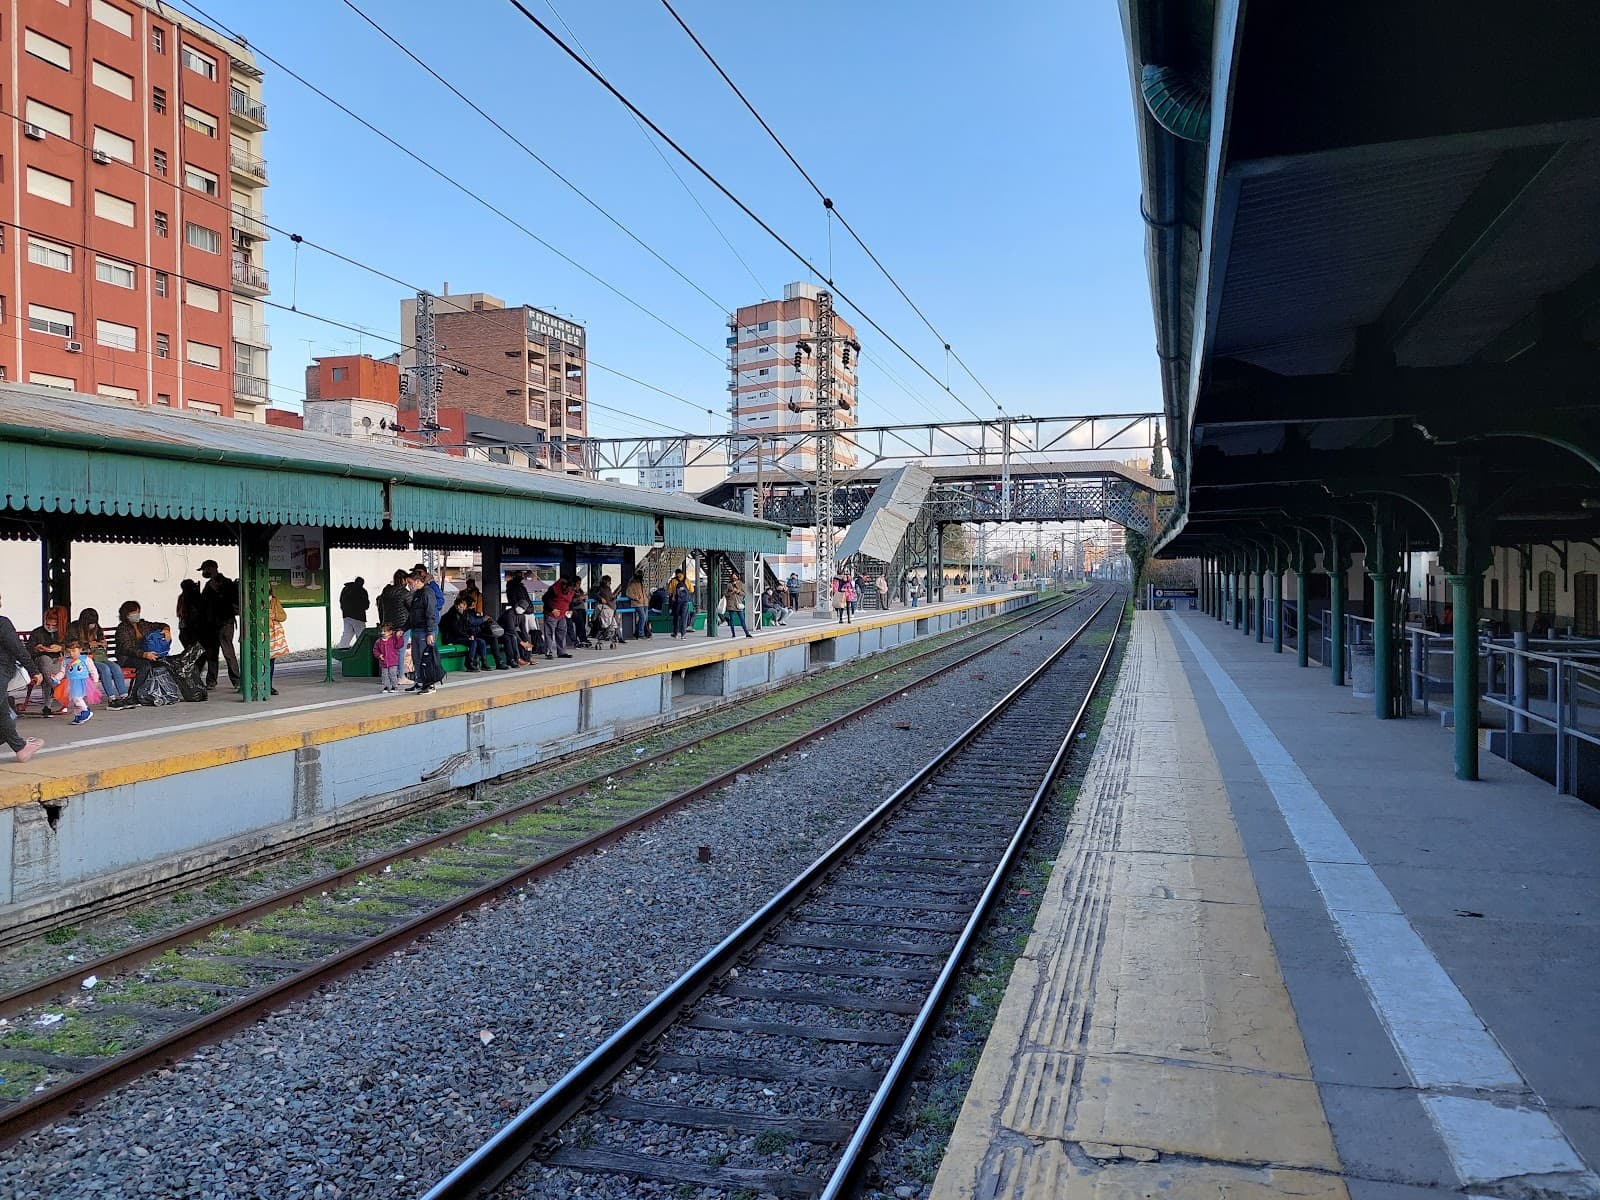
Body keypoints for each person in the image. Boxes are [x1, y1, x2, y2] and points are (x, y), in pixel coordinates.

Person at [0, 593, 44, 762]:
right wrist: (34, 670)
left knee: (4, 711)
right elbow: (17, 649)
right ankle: (21, 747)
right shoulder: (2, 623)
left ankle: (21, 747)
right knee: (4, 712)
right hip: (2, 670)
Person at [67, 608, 129, 709]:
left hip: (99, 656)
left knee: (116, 667)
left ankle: (124, 696)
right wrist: (87, 645)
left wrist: (102, 643)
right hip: (83, 659)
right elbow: (72, 645)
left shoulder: (96, 627)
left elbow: (101, 639)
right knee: (105, 669)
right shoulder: (73, 628)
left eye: (94, 623)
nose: (92, 625)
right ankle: (112, 698)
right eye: (89, 623)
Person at [199, 559, 240, 690]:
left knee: (227, 652)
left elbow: (233, 600)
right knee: (212, 653)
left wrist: (219, 591)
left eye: (205, 570)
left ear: (212, 568)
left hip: (225, 622)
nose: (204, 572)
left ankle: (236, 680)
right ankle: (211, 681)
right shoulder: (208, 585)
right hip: (212, 624)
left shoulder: (226, 583)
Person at [405, 568, 442, 693]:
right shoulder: (417, 594)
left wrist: (430, 632)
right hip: (416, 630)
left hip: (425, 631)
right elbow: (412, 615)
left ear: (416, 581)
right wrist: (403, 628)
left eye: (410, 583)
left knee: (425, 658)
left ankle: (429, 684)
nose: (409, 586)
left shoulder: (427, 593)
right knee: (416, 658)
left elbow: (430, 612)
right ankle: (420, 681)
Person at [25, 607, 68, 716]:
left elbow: (73, 647)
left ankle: (47, 706)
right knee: (45, 662)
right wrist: (36, 648)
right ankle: (56, 688)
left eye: (54, 626)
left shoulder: (64, 632)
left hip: (58, 662)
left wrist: (61, 648)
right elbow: (28, 649)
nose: (50, 627)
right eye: (47, 625)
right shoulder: (37, 632)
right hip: (41, 661)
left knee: (48, 674)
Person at [441, 595, 490, 671]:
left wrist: (471, 635)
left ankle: (484, 662)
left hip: (463, 636)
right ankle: (469, 663)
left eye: (463, 607)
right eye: (460, 607)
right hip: (453, 637)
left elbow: (468, 627)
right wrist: (468, 636)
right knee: (473, 643)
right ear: (456, 606)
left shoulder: (464, 614)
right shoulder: (452, 615)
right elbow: (456, 630)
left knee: (482, 642)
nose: (461, 609)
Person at [61, 640, 95, 725]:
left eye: (73, 651)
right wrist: (56, 677)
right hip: (71, 682)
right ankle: (78, 715)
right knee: (73, 700)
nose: (71, 654)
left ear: (80, 649)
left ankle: (85, 711)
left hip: (83, 681)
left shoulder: (85, 659)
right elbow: (62, 672)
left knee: (77, 698)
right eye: (69, 652)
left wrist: (95, 680)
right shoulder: (66, 661)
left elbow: (93, 670)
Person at [541, 577, 573, 661]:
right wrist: (552, 609)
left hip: (562, 615)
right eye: (567, 589)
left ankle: (562, 652)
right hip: (551, 614)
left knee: (562, 632)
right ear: (564, 586)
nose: (568, 591)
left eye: (570, 590)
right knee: (549, 633)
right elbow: (544, 598)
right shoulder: (554, 589)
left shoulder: (571, 591)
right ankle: (548, 652)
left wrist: (570, 610)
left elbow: (570, 602)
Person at [337, 577, 370, 648]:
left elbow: (341, 601)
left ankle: (342, 650)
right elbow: (366, 605)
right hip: (358, 617)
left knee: (347, 635)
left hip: (346, 615)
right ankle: (362, 651)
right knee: (361, 636)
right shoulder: (362, 591)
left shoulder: (346, 589)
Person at [267, 587, 288, 696]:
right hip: (260, 634)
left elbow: (283, 616)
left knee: (271, 661)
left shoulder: (274, 601)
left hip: (273, 635)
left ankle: (268, 685)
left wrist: (274, 615)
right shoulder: (253, 600)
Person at [373, 624, 406, 693]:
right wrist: (379, 655)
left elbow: (399, 645)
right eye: (382, 631)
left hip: (393, 661)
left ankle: (394, 686)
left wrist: (399, 637)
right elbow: (375, 650)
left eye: (385, 631)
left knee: (393, 674)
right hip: (383, 662)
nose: (383, 633)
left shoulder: (393, 640)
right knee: (384, 675)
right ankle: (386, 686)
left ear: (390, 632)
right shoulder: (379, 641)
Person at [176, 579, 205, 651]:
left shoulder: (195, 597)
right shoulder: (183, 597)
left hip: (194, 626)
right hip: (186, 626)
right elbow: (179, 613)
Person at [625, 575, 650, 640]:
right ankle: (641, 634)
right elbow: (628, 593)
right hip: (637, 603)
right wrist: (636, 598)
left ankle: (637, 631)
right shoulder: (632, 585)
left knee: (645, 618)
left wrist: (647, 598)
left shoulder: (641, 584)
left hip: (644, 603)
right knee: (643, 617)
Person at [669, 572, 693, 639]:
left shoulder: (673, 580)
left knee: (676, 617)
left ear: (676, 573)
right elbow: (692, 590)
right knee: (684, 617)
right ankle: (683, 635)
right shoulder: (687, 580)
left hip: (676, 602)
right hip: (685, 602)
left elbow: (670, 591)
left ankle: (675, 633)